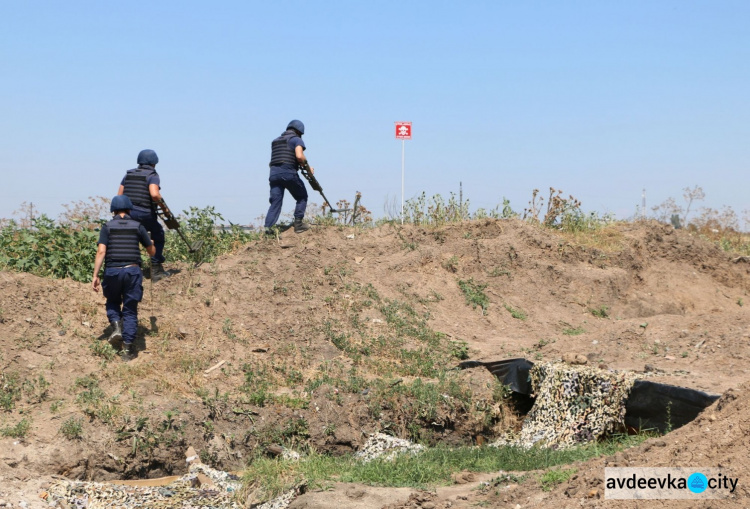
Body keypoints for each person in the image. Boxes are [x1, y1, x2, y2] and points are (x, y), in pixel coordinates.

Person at [92, 195, 156, 361]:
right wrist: (153, 244)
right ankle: (127, 350)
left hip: (112, 271)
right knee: (130, 309)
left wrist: (95, 275)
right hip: (132, 271)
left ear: (113, 210)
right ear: (129, 209)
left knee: (112, 301)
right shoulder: (137, 226)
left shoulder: (107, 227)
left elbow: (101, 252)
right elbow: (151, 252)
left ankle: (116, 325)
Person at [118, 149, 170, 281]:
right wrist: (164, 208)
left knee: (133, 238)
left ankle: (131, 269)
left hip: (128, 213)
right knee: (158, 234)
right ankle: (156, 267)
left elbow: (119, 196)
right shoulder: (152, 175)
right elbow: (154, 194)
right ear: (154, 163)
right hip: (144, 213)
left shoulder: (128, 175)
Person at [264, 120, 314, 234]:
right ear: (298, 131)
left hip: (273, 174)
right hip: (287, 172)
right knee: (302, 196)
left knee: (275, 202)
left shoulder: (275, 141)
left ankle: (268, 229)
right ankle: (298, 224)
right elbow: (300, 156)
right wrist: (308, 168)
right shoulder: (296, 139)